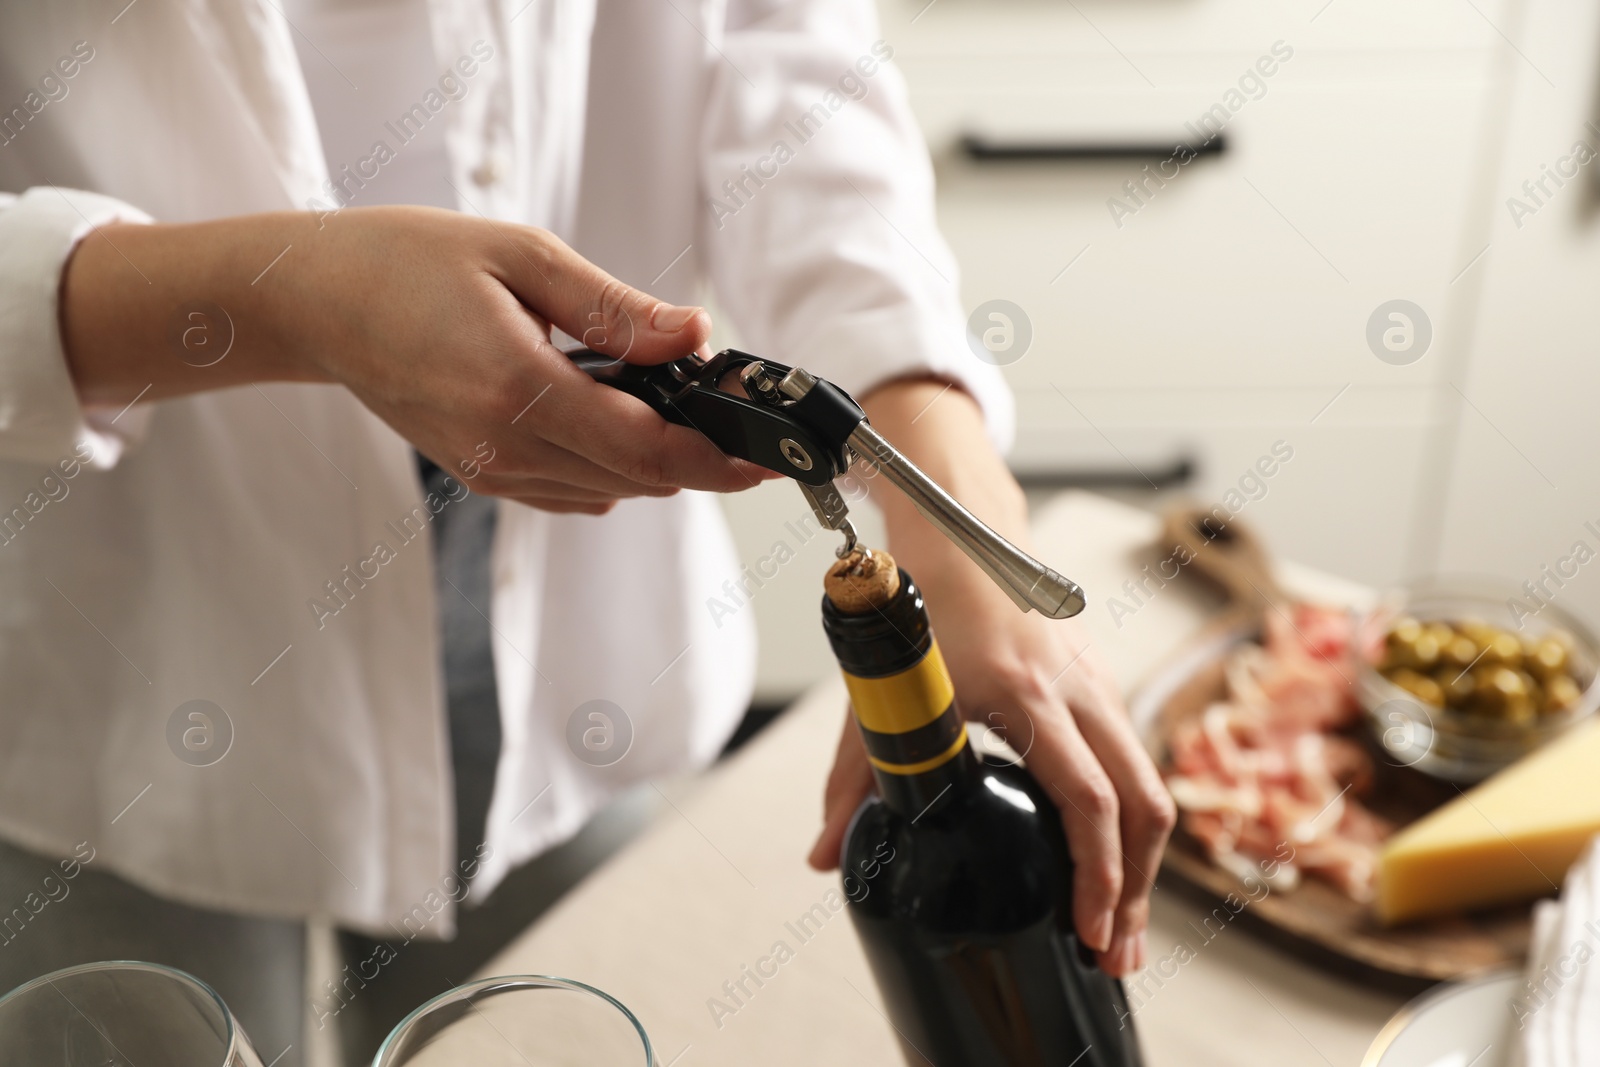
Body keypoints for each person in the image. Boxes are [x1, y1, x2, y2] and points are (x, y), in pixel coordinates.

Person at [0, 0, 1174, 1061]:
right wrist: (285, 298)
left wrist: (944, 493)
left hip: (571, 625)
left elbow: (789, 54)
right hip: (116, 645)